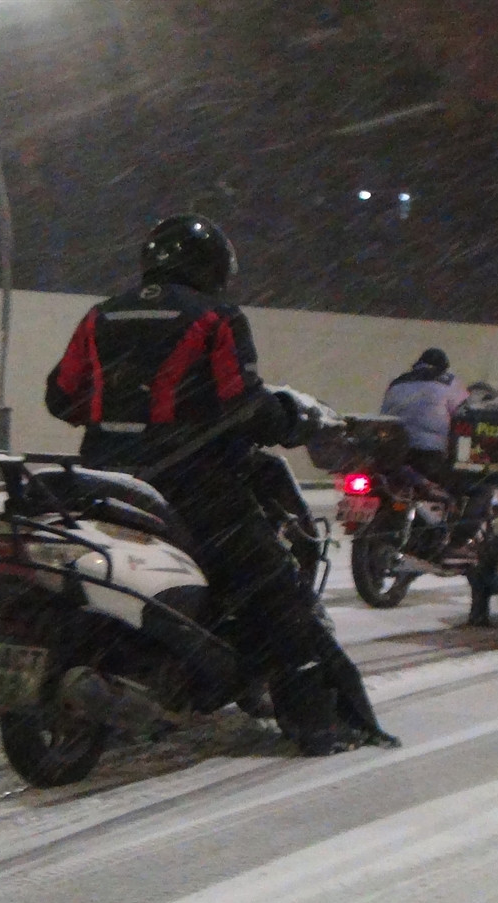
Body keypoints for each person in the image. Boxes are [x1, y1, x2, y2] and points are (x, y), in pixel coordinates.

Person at [45, 213, 397, 754]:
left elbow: (61, 396)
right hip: (191, 482)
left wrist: (121, 413)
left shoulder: (101, 315)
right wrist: (283, 419)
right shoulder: (216, 319)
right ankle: (319, 726)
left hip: (107, 479)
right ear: (212, 267)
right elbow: (242, 403)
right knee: (275, 593)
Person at [380, 347, 470, 485]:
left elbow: (384, 414)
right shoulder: (450, 382)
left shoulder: (397, 382)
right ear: (443, 367)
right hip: (431, 450)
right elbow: (464, 412)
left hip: (396, 449)